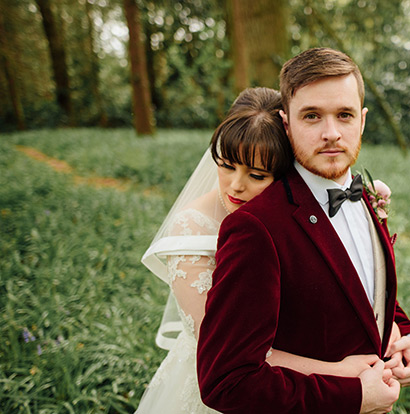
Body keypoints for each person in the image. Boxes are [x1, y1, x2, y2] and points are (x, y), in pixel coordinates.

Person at [137, 87, 391, 414]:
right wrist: (340, 373)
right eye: (226, 165)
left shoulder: (295, 213)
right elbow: (222, 349)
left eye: (257, 175)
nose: (235, 186)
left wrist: (399, 332)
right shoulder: (193, 227)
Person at [197, 48, 410, 414]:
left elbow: (361, 286)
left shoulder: (366, 196)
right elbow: (225, 381)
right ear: (286, 124)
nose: (331, 134)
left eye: (344, 115)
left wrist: (406, 333)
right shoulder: (256, 229)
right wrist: (353, 397)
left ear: (362, 121)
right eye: (312, 116)